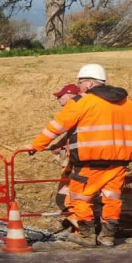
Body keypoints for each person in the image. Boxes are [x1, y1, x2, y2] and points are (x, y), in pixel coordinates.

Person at [28, 64, 132, 247]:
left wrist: (36, 145)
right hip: (119, 162)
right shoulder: (128, 102)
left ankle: (86, 235)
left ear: (89, 83)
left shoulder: (82, 101)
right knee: (112, 199)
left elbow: (57, 126)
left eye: (80, 82)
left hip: (90, 162)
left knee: (79, 197)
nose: (79, 86)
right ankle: (107, 237)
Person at [48, 83, 83, 236]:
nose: (58, 99)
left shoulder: (74, 110)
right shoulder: (81, 112)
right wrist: (60, 144)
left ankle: (84, 229)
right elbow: (71, 133)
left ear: (69, 96)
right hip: (75, 163)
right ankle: (81, 227)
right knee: (69, 199)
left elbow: (57, 130)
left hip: (78, 164)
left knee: (63, 199)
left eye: (60, 96)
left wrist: (36, 146)